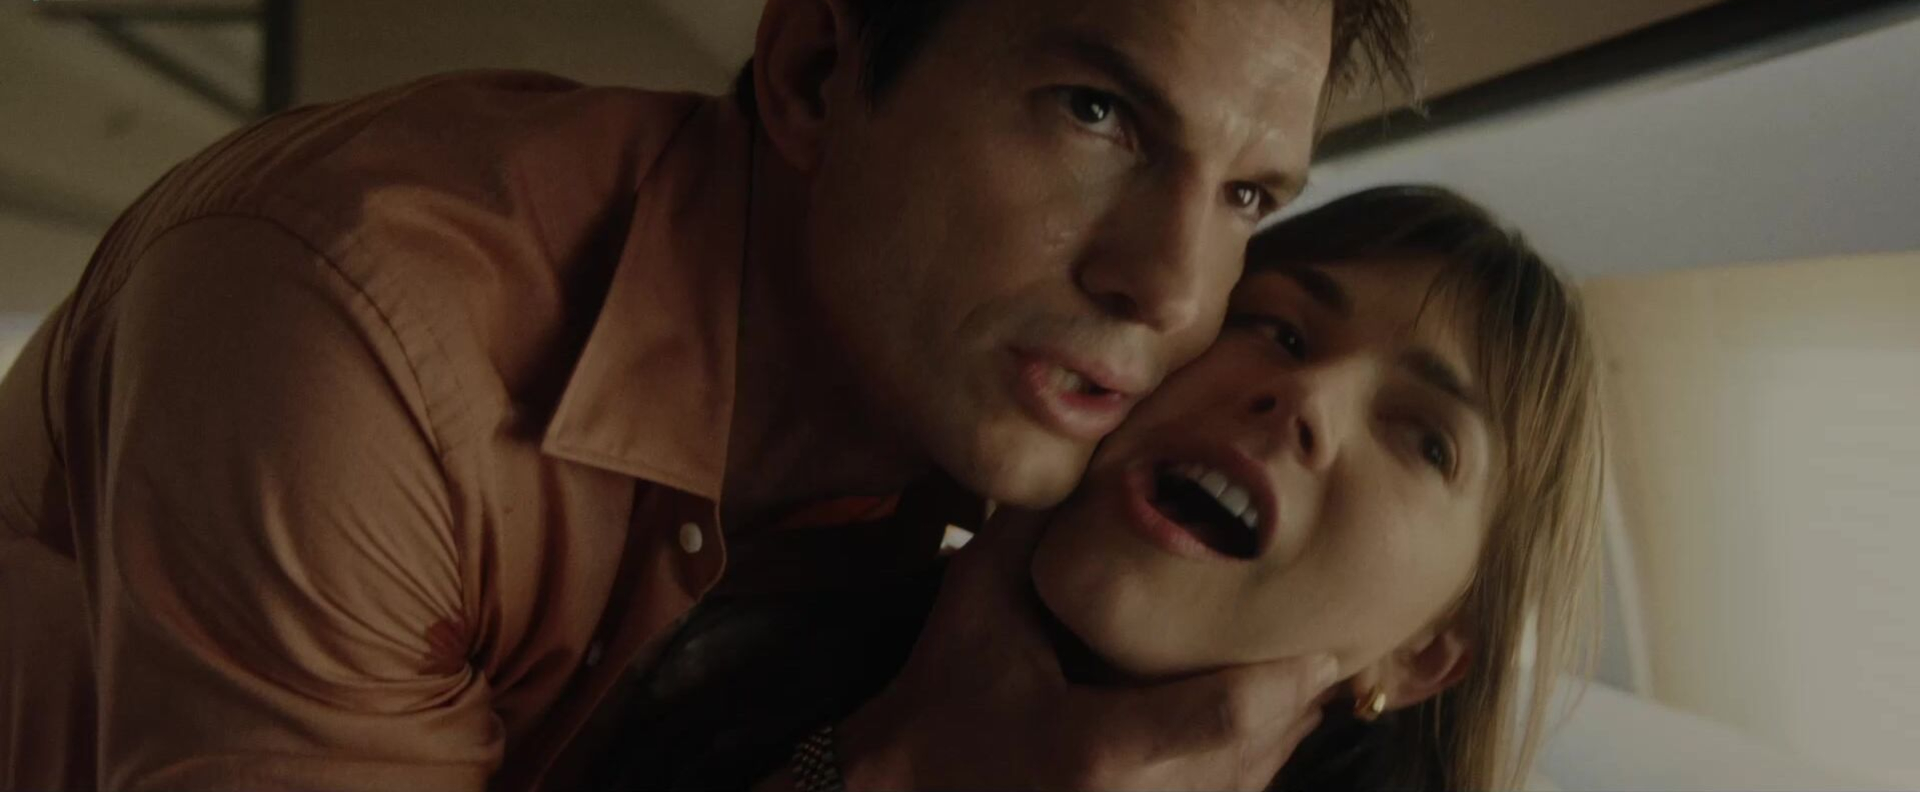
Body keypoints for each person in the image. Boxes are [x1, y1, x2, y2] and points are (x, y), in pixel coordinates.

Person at [0, 0, 1413, 790]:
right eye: (1097, 114)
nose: (1171, 289)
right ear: (813, 72)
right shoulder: (360, 332)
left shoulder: (1011, 471)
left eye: (1247, 196)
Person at [582, 186, 1605, 792]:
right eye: (1278, 329)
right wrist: (897, 764)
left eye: (1424, 440)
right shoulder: (724, 624)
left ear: (1424, 654)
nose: (1307, 397)